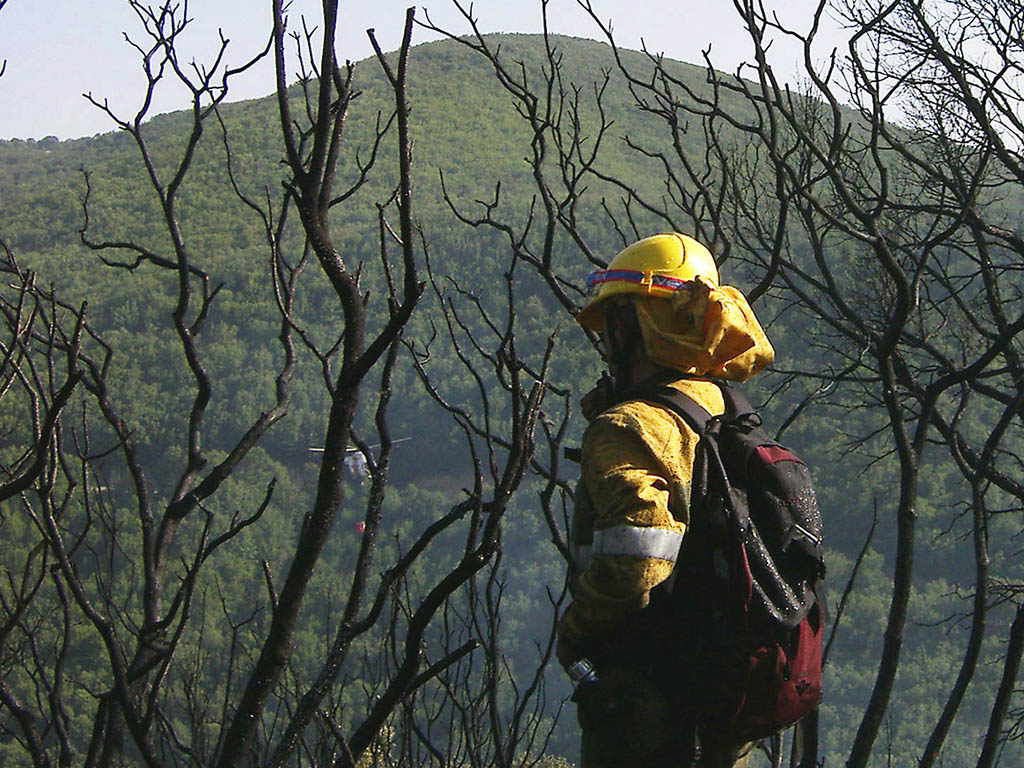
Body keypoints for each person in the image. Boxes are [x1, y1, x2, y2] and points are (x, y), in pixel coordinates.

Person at [556, 233, 775, 768]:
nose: (606, 339)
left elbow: (636, 558)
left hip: (646, 701)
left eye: (612, 322)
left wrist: (576, 630)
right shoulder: (725, 409)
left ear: (632, 326)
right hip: (725, 698)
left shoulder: (629, 425)